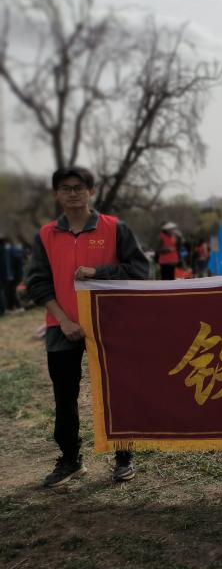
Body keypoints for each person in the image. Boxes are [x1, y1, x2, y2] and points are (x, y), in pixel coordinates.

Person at [25, 166, 149, 486]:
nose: (73, 193)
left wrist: (99, 272)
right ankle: (70, 460)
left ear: (91, 191)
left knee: (117, 391)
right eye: (65, 188)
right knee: (64, 396)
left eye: (79, 187)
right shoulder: (46, 235)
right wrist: (63, 320)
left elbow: (139, 269)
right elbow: (37, 283)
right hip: (61, 327)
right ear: (56, 194)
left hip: (110, 324)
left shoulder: (115, 228)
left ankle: (124, 458)